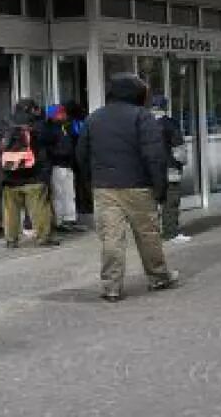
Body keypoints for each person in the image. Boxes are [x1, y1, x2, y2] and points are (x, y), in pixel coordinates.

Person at [76, 73, 179, 302]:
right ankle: (158, 277)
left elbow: (81, 155)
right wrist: (160, 188)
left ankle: (111, 287)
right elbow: (155, 156)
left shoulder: (94, 118)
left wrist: (92, 180)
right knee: (148, 234)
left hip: (104, 187)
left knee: (111, 238)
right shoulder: (142, 117)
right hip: (138, 186)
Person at [0, 99, 59, 248]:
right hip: (34, 174)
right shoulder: (37, 125)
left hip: (10, 175)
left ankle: (11, 239)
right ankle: (43, 237)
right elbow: (52, 139)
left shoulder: (5, 125)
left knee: (10, 210)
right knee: (39, 208)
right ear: (32, 109)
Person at [150, 95, 190, 243]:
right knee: (170, 201)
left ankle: (150, 234)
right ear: (165, 107)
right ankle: (171, 233)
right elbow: (179, 150)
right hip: (170, 169)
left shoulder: (143, 125)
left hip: (150, 172)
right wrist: (183, 162)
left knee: (151, 203)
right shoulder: (170, 124)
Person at [46, 104, 83, 232]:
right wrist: (59, 154)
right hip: (57, 165)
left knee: (69, 193)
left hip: (67, 164)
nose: (65, 115)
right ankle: (59, 220)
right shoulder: (50, 129)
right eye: (62, 113)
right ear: (55, 115)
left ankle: (69, 219)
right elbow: (48, 148)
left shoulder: (65, 127)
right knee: (59, 194)